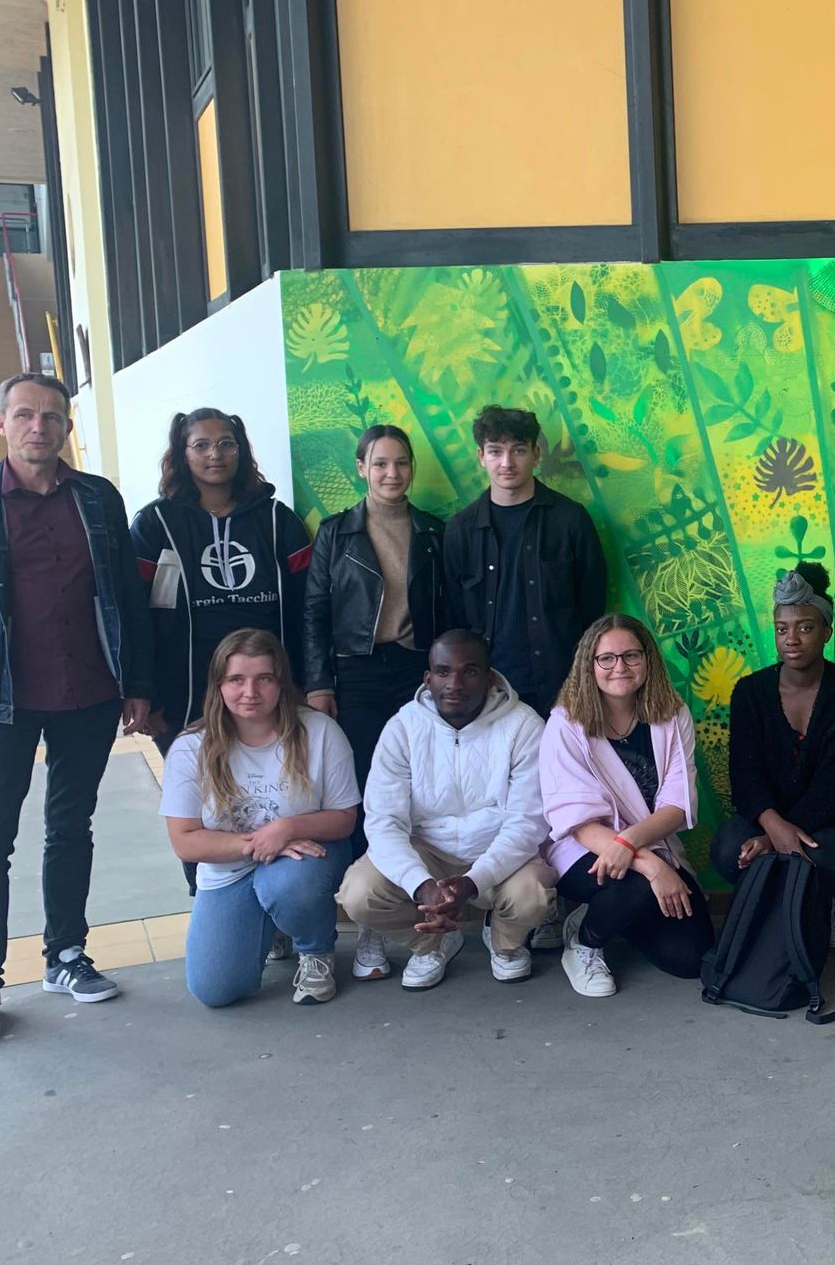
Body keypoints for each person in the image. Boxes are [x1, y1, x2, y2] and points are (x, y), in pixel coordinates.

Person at [0, 372, 153, 1046]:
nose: (38, 427)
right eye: (24, 415)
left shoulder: (97, 499)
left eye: (52, 417)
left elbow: (126, 600)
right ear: (0, 423)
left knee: (71, 826)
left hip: (88, 693)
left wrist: (136, 682)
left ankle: (66, 954)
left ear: (67, 427)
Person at [132, 408, 313, 905]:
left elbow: (308, 610)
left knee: (271, 799)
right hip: (185, 699)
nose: (215, 454)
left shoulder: (277, 521)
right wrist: (145, 693)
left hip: (270, 695)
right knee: (202, 809)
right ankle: (213, 905)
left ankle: (277, 906)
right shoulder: (155, 525)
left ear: (241, 449)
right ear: (182, 453)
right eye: (201, 445)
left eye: (226, 443)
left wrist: (309, 681)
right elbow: (136, 615)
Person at [303, 424, 449, 974]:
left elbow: (449, 611)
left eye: (401, 463)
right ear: (361, 468)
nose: (392, 473)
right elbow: (315, 611)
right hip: (357, 672)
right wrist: (319, 683)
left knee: (420, 790)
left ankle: (425, 911)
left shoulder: (433, 531)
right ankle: (370, 927)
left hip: (417, 671)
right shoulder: (335, 533)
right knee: (369, 795)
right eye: (380, 463)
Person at [338, 630, 555, 990]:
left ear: (489, 678)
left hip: (497, 851)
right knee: (359, 894)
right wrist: (421, 886)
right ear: (428, 678)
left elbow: (528, 822)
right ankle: (432, 943)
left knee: (531, 896)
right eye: (443, 672)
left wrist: (472, 882)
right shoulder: (403, 727)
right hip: (428, 852)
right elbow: (383, 822)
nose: (454, 684)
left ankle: (505, 944)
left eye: (469, 672)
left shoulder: (524, 725)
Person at [160, 629, 359, 1007]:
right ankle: (274, 926)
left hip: (305, 860)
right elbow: (184, 841)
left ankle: (315, 950)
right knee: (214, 991)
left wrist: (287, 828)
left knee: (288, 885)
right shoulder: (190, 747)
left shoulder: (319, 731)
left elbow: (345, 818)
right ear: (219, 685)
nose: (250, 692)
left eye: (264, 679)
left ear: (281, 682)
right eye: (236, 679)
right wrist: (263, 843)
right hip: (228, 871)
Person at [539, 615, 710, 996]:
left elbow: (677, 805)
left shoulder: (672, 714)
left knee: (691, 958)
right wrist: (653, 867)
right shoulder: (566, 724)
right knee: (642, 887)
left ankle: (614, 913)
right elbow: (576, 820)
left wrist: (630, 843)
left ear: (648, 659)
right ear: (589, 664)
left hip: (643, 839)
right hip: (583, 847)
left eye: (631, 655)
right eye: (607, 658)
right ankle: (585, 942)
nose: (620, 667)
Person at [712, 564, 835, 948]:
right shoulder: (751, 692)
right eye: (781, 629)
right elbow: (744, 773)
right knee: (728, 850)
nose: (792, 639)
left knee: (818, 858)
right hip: (770, 814)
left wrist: (774, 840)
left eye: (805, 628)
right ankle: (787, 906)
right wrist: (771, 826)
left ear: (826, 631)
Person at [443, 403, 607, 717]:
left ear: (536, 454)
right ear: (481, 456)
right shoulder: (460, 531)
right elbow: (454, 615)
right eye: (495, 451)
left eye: (518, 450)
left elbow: (592, 607)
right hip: (488, 690)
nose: (507, 463)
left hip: (561, 687)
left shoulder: (570, 520)